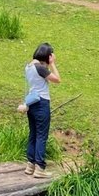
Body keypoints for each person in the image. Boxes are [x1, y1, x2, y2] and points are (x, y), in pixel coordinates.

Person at [22, 42, 60, 178]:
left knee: (33, 134)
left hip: (31, 103)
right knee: (41, 136)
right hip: (42, 103)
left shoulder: (28, 67)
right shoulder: (40, 68)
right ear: (48, 56)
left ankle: (30, 165)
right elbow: (57, 79)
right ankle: (39, 168)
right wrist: (52, 64)